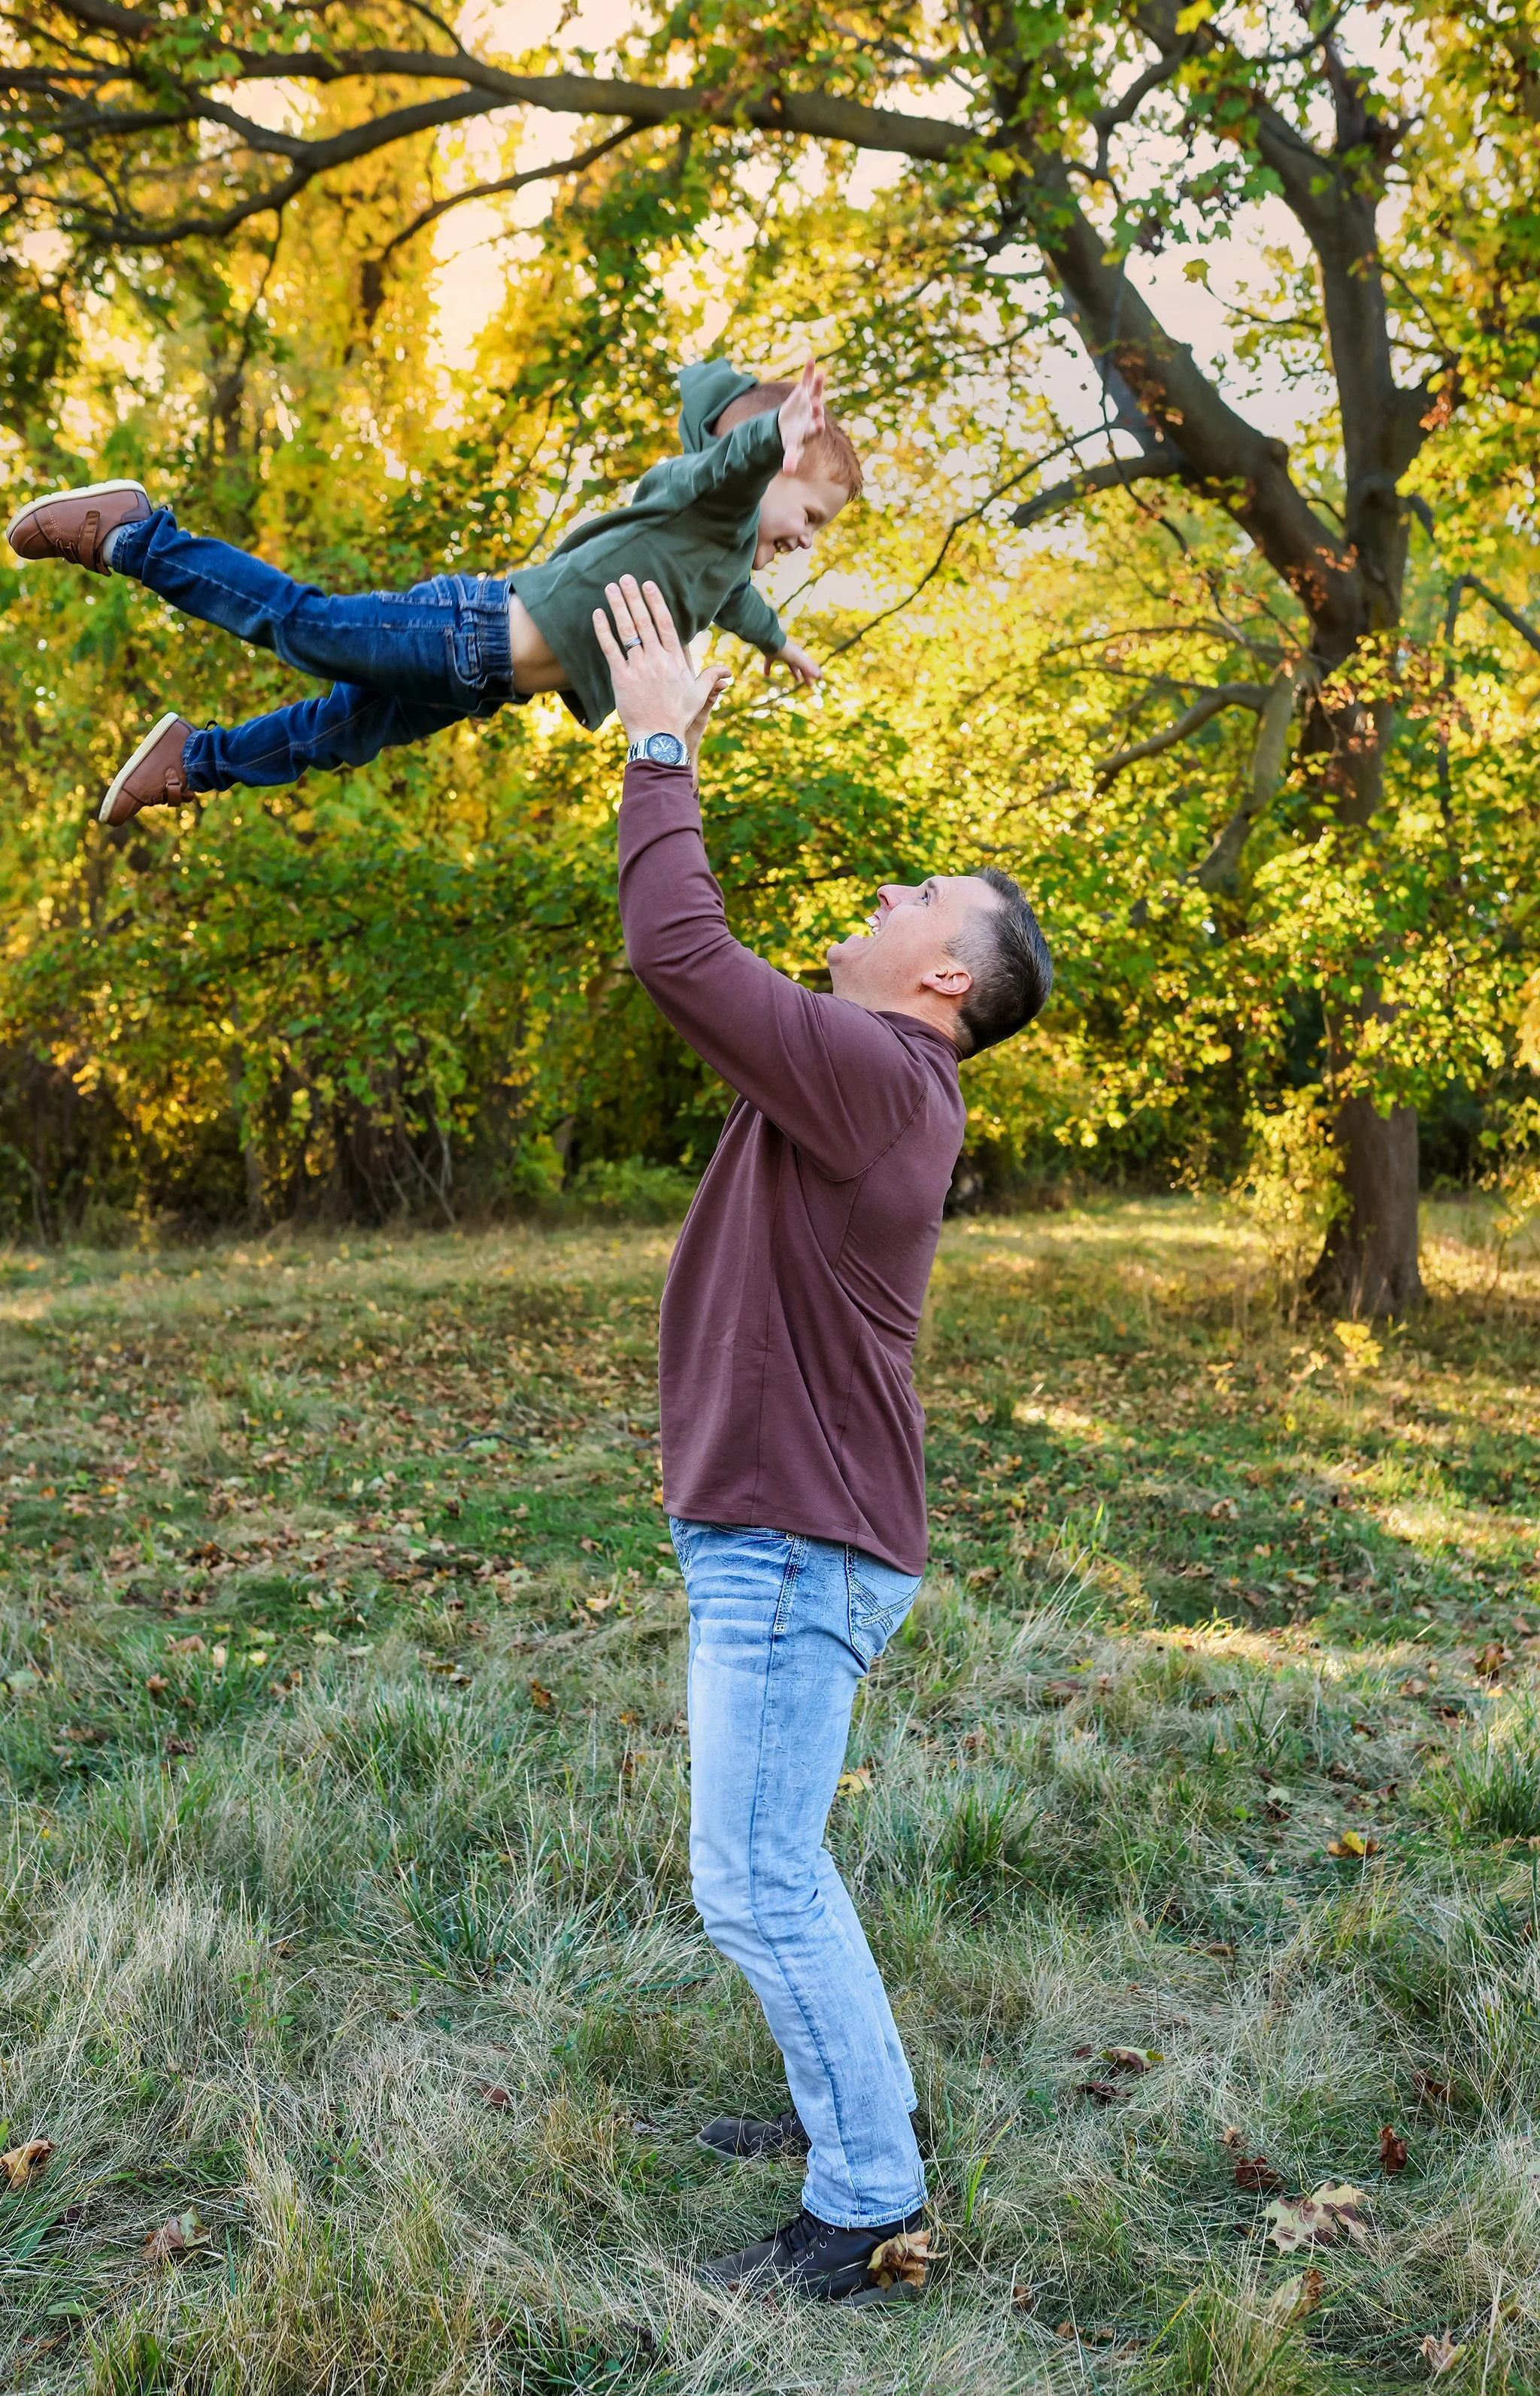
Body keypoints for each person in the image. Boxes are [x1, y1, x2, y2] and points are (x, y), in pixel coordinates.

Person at [593, 572, 1052, 2307]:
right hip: (780, 1526)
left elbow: (677, 953)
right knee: (762, 1871)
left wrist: (658, 748)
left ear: (943, 975)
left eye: (914, 897)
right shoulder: (862, 1073)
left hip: (795, 1540)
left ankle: (864, 2191)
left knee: (754, 1880)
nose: (879, 895)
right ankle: (839, 2110)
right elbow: (711, 970)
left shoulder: (881, 1079)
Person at [3, 359, 856, 826]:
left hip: (480, 683)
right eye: (810, 515)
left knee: (333, 736)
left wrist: (780, 642)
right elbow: (727, 467)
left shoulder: (720, 566)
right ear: (769, 463)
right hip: (468, 631)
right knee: (300, 625)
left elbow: (738, 604)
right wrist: (772, 436)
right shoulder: (708, 500)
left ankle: (195, 761)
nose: (807, 540)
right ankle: (134, 536)